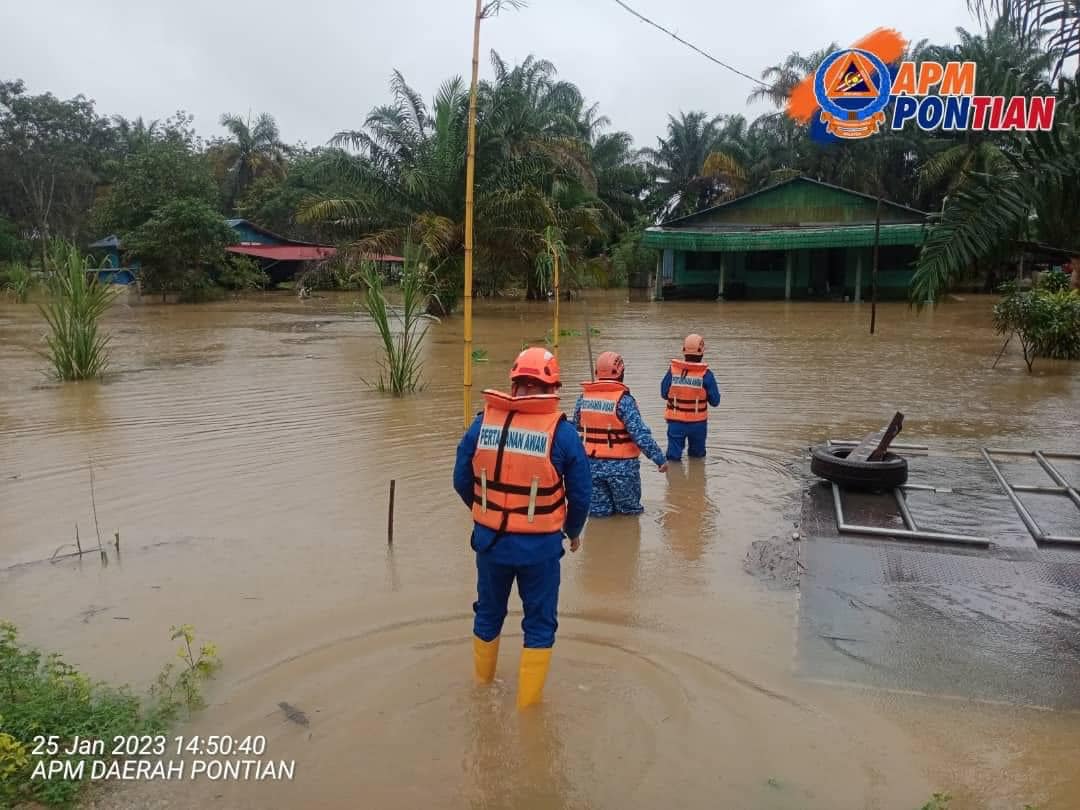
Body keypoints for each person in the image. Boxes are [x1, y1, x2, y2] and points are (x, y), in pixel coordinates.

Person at [453, 347, 591, 709]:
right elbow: (581, 494)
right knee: (540, 625)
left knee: (488, 613)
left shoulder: (483, 423)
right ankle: (528, 713)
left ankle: (482, 693)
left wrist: (486, 511)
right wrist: (573, 531)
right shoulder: (562, 433)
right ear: (553, 387)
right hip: (540, 550)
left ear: (513, 386)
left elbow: (459, 478)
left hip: (490, 543)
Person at [572, 351, 667, 517]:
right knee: (629, 515)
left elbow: (574, 429)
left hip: (591, 468)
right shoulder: (623, 401)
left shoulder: (583, 399)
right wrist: (659, 459)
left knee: (598, 515)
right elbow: (640, 435)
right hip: (622, 470)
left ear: (596, 373)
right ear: (621, 372)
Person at [660, 334, 721, 461]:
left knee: (673, 458)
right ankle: (697, 479)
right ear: (702, 352)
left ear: (683, 351)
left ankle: (673, 479)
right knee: (697, 457)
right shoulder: (706, 375)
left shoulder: (672, 371)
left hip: (676, 422)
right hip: (698, 424)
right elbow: (715, 401)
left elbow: (664, 393)